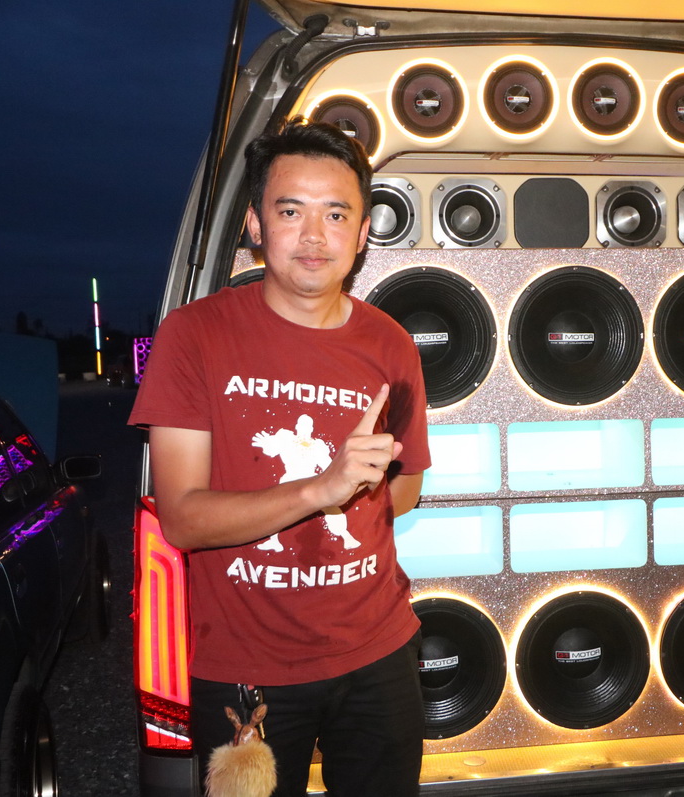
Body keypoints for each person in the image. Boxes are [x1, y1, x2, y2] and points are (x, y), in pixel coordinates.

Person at [129, 118, 431, 796]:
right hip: (246, 669)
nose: (314, 235)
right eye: (291, 211)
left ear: (362, 232)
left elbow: (406, 486)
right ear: (255, 225)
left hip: (378, 651)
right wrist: (320, 490)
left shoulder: (390, 343)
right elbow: (182, 518)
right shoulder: (194, 336)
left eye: (336, 214)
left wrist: (353, 498)